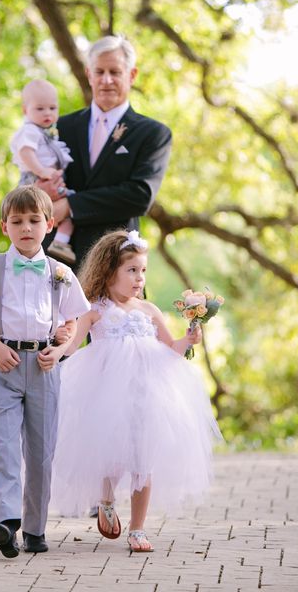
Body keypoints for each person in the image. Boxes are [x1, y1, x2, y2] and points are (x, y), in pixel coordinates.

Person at [52, 230, 221, 552]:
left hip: (149, 395)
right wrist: (59, 343)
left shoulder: (150, 310)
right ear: (108, 270)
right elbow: (73, 345)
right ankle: (105, 499)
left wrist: (188, 340)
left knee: (144, 460)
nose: (139, 278)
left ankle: (138, 528)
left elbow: (170, 348)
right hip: (108, 396)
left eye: (143, 270)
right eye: (131, 270)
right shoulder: (95, 310)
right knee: (112, 457)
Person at [0, 185, 90, 557]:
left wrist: (61, 350)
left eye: (34, 220)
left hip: (45, 366)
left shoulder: (61, 272)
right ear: (5, 227)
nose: (26, 228)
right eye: (17, 221)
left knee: (41, 451)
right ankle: (6, 522)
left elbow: (75, 323)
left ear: (49, 224)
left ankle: (35, 527)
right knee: (2, 445)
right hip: (4, 362)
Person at [37, 35, 173, 270]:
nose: (106, 80)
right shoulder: (60, 127)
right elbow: (34, 180)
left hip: (116, 264)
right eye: (99, 72)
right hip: (55, 260)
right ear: (89, 75)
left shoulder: (153, 133)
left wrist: (71, 205)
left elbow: (139, 195)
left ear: (131, 75)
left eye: (115, 72)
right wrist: (37, 191)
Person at [9, 79, 76, 264]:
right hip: (33, 178)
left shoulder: (46, 131)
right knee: (37, 212)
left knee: (70, 207)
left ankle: (60, 244)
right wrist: (42, 170)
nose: (47, 113)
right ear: (25, 110)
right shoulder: (29, 131)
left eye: (52, 108)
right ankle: (29, 249)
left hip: (49, 179)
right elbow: (25, 152)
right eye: (40, 109)